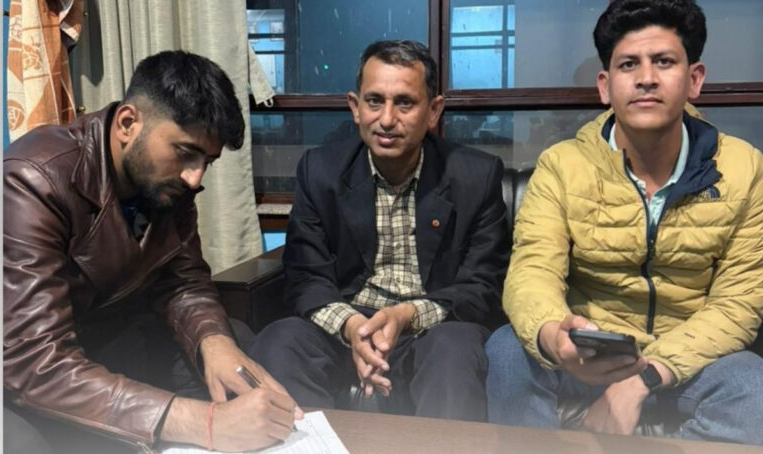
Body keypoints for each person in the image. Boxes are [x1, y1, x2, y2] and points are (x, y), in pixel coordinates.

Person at [486, 0, 763, 444]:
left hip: (689, 360)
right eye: (629, 64)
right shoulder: (562, 166)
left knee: (752, 386)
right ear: (605, 86)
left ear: (694, 79)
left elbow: (739, 304)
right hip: (589, 354)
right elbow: (532, 271)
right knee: (507, 349)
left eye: (664, 61)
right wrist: (556, 337)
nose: (646, 78)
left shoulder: (745, 170)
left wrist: (645, 377)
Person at [4, 50, 302, 454]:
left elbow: (184, 280)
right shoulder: (32, 179)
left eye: (207, 161)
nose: (195, 177)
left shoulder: (167, 185)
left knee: (236, 353)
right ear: (128, 123)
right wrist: (203, 423)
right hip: (23, 369)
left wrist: (214, 340)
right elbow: (33, 360)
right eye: (185, 152)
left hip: (106, 339)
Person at [249, 40, 510, 422]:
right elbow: (305, 276)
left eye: (404, 103)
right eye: (374, 101)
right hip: (347, 321)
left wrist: (407, 315)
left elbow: (483, 286)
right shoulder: (320, 171)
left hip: (432, 325)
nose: (387, 119)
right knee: (279, 341)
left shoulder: (475, 176)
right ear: (355, 107)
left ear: (433, 111)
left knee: (454, 349)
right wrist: (353, 327)